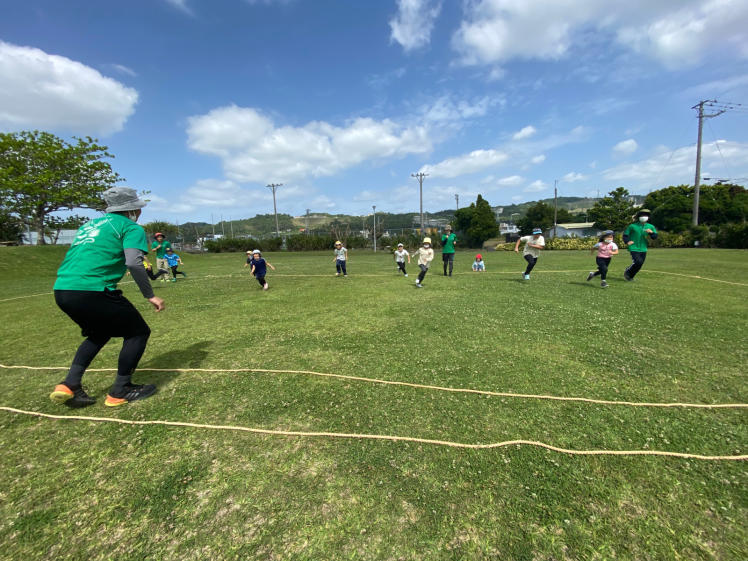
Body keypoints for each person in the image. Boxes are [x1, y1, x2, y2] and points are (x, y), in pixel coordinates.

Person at [50, 187, 164, 408]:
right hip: (93, 289)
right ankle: (120, 390)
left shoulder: (88, 226)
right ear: (133, 209)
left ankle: (70, 384)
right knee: (138, 332)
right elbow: (133, 262)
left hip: (63, 289)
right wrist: (150, 295)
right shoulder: (131, 227)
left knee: (98, 333)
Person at [623, 209, 658, 281]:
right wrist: (627, 241)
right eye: (642, 215)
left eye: (645, 216)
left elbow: (654, 237)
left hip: (643, 248)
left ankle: (630, 277)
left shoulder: (651, 226)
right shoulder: (632, 226)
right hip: (633, 247)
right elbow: (625, 235)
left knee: (640, 264)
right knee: (638, 261)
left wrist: (651, 233)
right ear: (638, 217)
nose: (643, 217)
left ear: (648, 217)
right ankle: (628, 271)